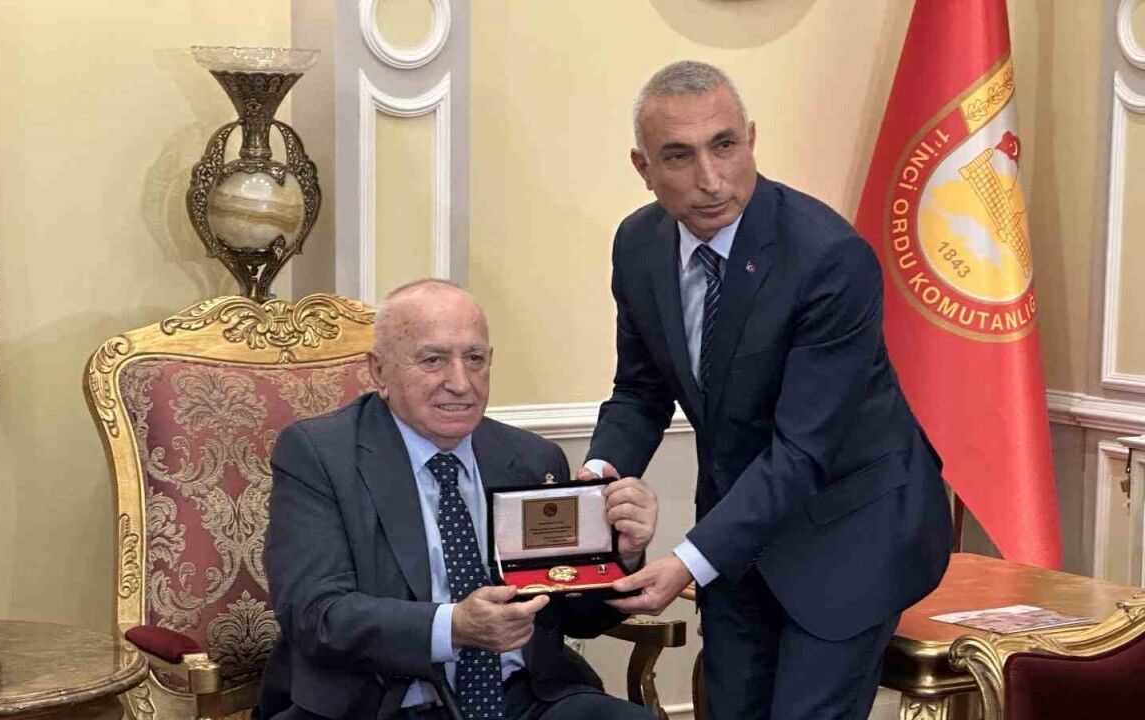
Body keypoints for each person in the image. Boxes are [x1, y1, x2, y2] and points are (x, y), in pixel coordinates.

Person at [580, 61, 954, 720]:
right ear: (644, 167)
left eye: (724, 145)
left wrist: (687, 563)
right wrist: (595, 482)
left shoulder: (828, 257)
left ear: (751, 138)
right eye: (680, 155)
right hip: (741, 533)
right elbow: (640, 390)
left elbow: (803, 451)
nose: (710, 178)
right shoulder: (638, 245)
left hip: (849, 532)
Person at [257, 279, 660, 720]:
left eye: (475, 359)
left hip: (523, 698)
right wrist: (453, 627)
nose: (461, 383)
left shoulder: (531, 458)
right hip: (382, 704)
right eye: (433, 360)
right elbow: (316, 614)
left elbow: (574, 615)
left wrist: (620, 556)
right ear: (379, 371)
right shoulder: (320, 456)